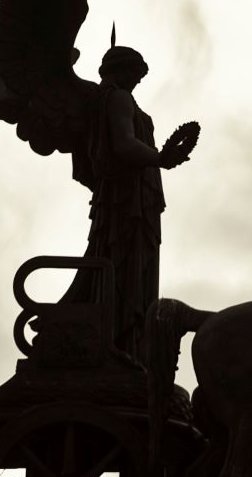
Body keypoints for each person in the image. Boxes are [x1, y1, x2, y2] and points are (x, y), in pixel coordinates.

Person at [61, 45, 196, 359]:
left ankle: (123, 341)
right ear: (122, 71)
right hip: (128, 201)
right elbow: (122, 144)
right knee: (128, 266)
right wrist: (160, 158)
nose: (138, 82)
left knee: (126, 264)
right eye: (136, 75)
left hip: (132, 199)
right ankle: (122, 343)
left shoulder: (101, 102)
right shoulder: (119, 98)